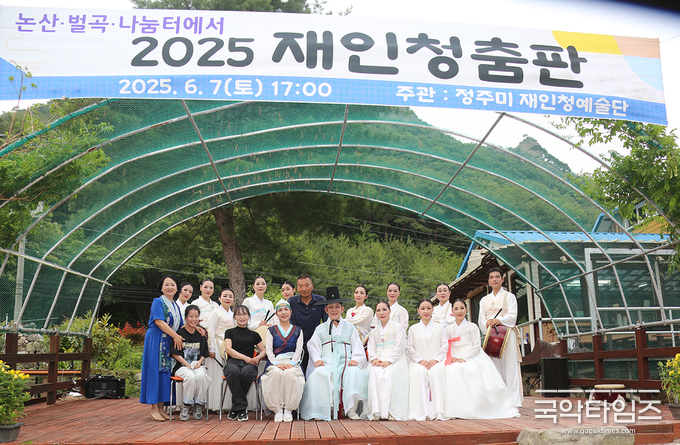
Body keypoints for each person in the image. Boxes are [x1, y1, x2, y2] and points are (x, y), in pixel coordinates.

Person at [442, 298, 519, 419]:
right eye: (456, 309)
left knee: (471, 370)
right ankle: (454, 409)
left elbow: (477, 346)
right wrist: (452, 357)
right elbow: (445, 345)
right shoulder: (447, 329)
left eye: (462, 308)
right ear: (452, 311)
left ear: (466, 310)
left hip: (470, 354)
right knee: (448, 371)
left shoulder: (472, 326)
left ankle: (475, 407)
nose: (459, 311)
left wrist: (464, 358)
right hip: (453, 354)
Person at [299, 289, 369, 421]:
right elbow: (312, 345)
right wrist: (317, 359)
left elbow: (357, 347)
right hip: (327, 362)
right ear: (326, 310)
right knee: (319, 374)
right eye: (330, 307)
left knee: (354, 372)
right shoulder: (320, 329)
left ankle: (351, 409)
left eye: (337, 306)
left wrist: (355, 358)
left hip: (346, 362)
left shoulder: (350, 327)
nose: (334, 310)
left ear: (342, 309)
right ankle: (322, 409)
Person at [140, 275, 184, 422]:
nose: (170, 287)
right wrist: (175, 336)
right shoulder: (158, 302)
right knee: (154, 372)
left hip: (167, 341)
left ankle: (160, 408)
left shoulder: (175, 306)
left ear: (177, 288)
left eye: (173, 285)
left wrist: (196, 327)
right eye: (167, 284)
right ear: (161, 287)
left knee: (164, 374)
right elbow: (159, 322)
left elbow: (181, 325)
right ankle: (153, 408)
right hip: (156, 340)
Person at [477, 267, 523, 407]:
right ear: (488, 281)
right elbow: (481, 320)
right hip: (491, 336)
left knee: (510, 366)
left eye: (497, 277)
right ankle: (500, 400)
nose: (494, 279)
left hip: (507, 333)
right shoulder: (484, 300)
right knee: (494, 367)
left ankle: (513, 401)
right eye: (491, 277)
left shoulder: (509, 296)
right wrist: (487, 323)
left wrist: (499, 320)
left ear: (502, 279)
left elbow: (513, 316)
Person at [261, 299, 305, 423]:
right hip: (275, 362)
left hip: (292, 362)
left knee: (289, 374)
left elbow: (299, 350)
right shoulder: (271, 331)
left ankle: (289, 409)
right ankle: (278, 409)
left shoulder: (298, 330)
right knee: (275, 374)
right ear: (276, 314)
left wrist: (291, 364)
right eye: (280, 310)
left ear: (290, 312)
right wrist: (277, 364)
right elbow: (269, 350)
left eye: (286, 309)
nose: (283, 312)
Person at [366, 301, 409, 421]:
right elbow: (371, 346)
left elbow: (400, 346)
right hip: (378, 357)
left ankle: (391, 411)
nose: (382, 313)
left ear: (389, 311)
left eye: (384, 309)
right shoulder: (374, 331)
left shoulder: (398, 327)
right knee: (374, 372)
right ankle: (377, 411)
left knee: (389, 373)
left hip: (394, 358)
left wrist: (389, 360)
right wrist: (374, 358)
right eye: (378, 310)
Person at [223, 305, 266, 422]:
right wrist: (245, 358)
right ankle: (241, 409)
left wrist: (257, 358)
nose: (242, 317)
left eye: (244, 314)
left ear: (248, 316)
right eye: (239, 314)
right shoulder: (229, 332)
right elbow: (228, 349)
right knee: (234, 372)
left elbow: (263, 351)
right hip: (233, 362)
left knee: (247, 373)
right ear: (235, 317)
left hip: (249, 364)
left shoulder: (254, 334)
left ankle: (235, 408)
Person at [406, 299, 446, 421]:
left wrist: (435, 359)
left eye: (428, 308)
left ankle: (439, 411)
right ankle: (420, 411)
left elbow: (444, 345)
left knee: (437, 373)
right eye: (422, 308)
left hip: (436, 361)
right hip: (418, 362)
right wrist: (420, 360)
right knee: (419, 372)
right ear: (418, 310)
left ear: (433, 309)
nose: (426, 311)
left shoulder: (440, 327)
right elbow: (410, 347)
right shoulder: (413, 328)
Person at [170, 305, 211, 421]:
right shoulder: (179, 334)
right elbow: (175, 354)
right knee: (190, 377)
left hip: (197, 366)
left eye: (196, 316)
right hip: (182, 366)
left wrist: (200, 362)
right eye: (191, 316)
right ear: (186, 318)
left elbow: (204, 353)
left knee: (202, 376)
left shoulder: (201, 334)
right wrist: (188, 365)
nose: (194, 319)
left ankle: (199, 404)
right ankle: (186, 405)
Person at [288, 274, 328, 375]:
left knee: (315, 373)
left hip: (316, 343)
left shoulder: (320, 300)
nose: (304, 289)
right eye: (300, 286)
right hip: (298, 343)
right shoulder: (292, 301)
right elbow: (289, 323)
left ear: (312, 286)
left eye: (307, 285)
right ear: (297, 288)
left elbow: (326, 322)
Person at [205, 288, 235, 411]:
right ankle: (215, 404)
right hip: (217, 345)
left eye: (230, 296)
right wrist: (211, 348)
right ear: (219, 298)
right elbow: (211, 331)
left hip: (230, 347)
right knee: (217, 374)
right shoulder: (215, 313)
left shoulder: (233, 314)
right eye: (225, 296)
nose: (228, 298)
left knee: (227, 374)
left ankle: (227, 404)